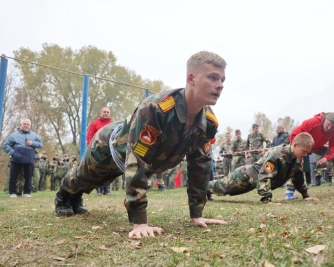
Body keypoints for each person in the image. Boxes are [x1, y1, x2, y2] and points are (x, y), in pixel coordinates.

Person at [54, 51, 227, 238]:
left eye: (222, 80)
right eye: (213, 78)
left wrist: (197, 213)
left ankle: (75, 197)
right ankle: (64, 197)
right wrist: (140, 221)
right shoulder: (156, 109)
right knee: (84, 177)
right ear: (191, 79)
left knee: (98, 180)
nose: (220, 86)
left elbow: (200, 166)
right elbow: (137, 159)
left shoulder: (209, 123)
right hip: (110, 147)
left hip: (142, 158)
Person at [208, 133, 318, 202]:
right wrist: (267, 198)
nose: (305, 155)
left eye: (307, 153)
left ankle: (204, 190)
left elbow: (298, 179)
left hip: (254, 181)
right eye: (304, 151)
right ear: (295, 145)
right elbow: (265, 175)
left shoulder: (297, 160)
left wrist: (305, 195)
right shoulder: (277, 154)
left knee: (224, 190)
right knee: (220, 187)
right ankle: (199, 188)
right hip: (245, 176)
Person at [286, 112, 334, 195]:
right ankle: (290, 189)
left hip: (317, 146)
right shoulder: (311, 123)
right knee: (296, 161)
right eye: (328, 124)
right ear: (324, 119)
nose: (329, 128)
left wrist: (327, 157)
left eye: (332, 126)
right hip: (303, 146)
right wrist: (297, 152)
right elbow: (294, 135)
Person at [3, 119, 43, 198]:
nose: (26, 125)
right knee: (13, 176)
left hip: (29, 159)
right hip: (16, 159)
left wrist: (32, 143)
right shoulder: (14, 135)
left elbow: (41, 144)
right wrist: (13, 152)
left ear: (30, 126)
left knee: (28, 177)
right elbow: (6, 145)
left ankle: (27, 193)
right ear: (20, 125)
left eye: (28, 124)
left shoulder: (34, 135)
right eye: (24, 124)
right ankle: (13, 193)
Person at [86, 107, 114, 196]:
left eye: (108, 112)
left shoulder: (113, 123)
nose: (106, 113)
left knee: (109, 170)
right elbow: (89, 136)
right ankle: (99, 189)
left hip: (109, 150)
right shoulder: (94, 124)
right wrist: (90, 148)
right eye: (104, 112)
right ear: (100, 113)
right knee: (99, 170)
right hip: (98, 150)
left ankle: (107, 189)